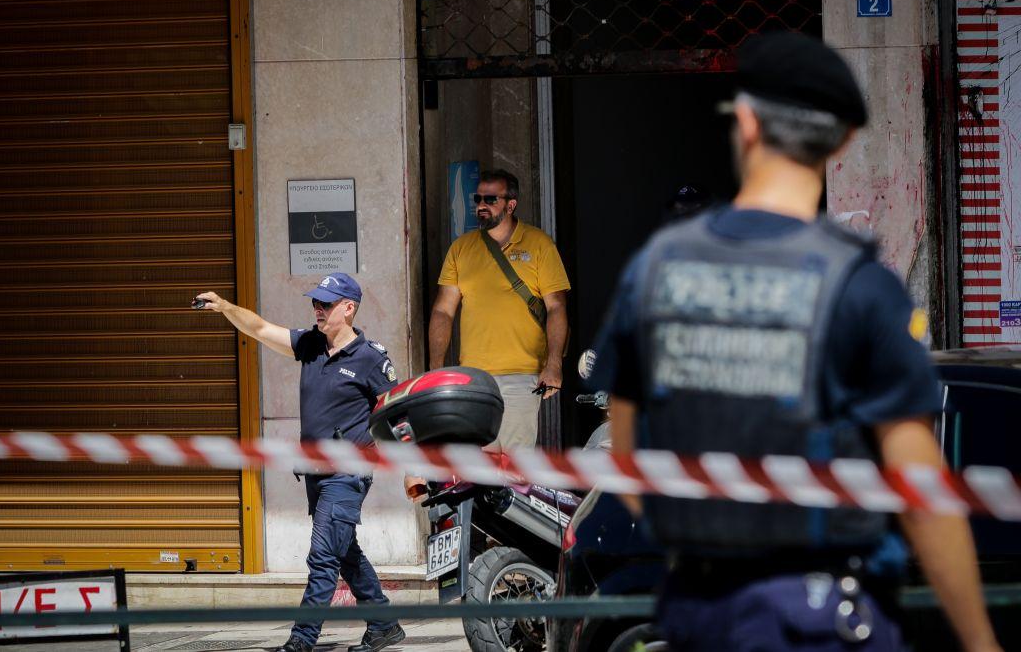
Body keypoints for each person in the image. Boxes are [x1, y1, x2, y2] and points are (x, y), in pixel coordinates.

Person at [589, 32, 1001, 651]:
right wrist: (980, 642)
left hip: (696, 615)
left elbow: (629, 460)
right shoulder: (861, 288)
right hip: (822, 621)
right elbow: (923, 497)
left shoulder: (654, 273)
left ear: (747, 122)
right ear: (843, 140)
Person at [194, 273, 405, 652]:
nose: (317, 309)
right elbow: (259, 328)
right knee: (345, 552)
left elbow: (398, 415)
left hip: (349, 473)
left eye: (325, 303)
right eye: (315, 302)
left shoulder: (371, 358)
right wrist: (226, 307)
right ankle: (384, 623)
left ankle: (302, 640)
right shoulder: (310, 344)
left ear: (349, 307)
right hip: (315, 473)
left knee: (323, 555)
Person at [428, 168, 570, 450]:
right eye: (478, 198)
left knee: (515, 470)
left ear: (511, 204)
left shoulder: (539, 244)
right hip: (474, 378)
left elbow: (556, 307)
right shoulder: (461, 249)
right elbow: (443, 311)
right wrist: (436, 369)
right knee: (479, 469)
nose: (481, 205)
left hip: (524, 374)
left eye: (490, 199)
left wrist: (554, 364)